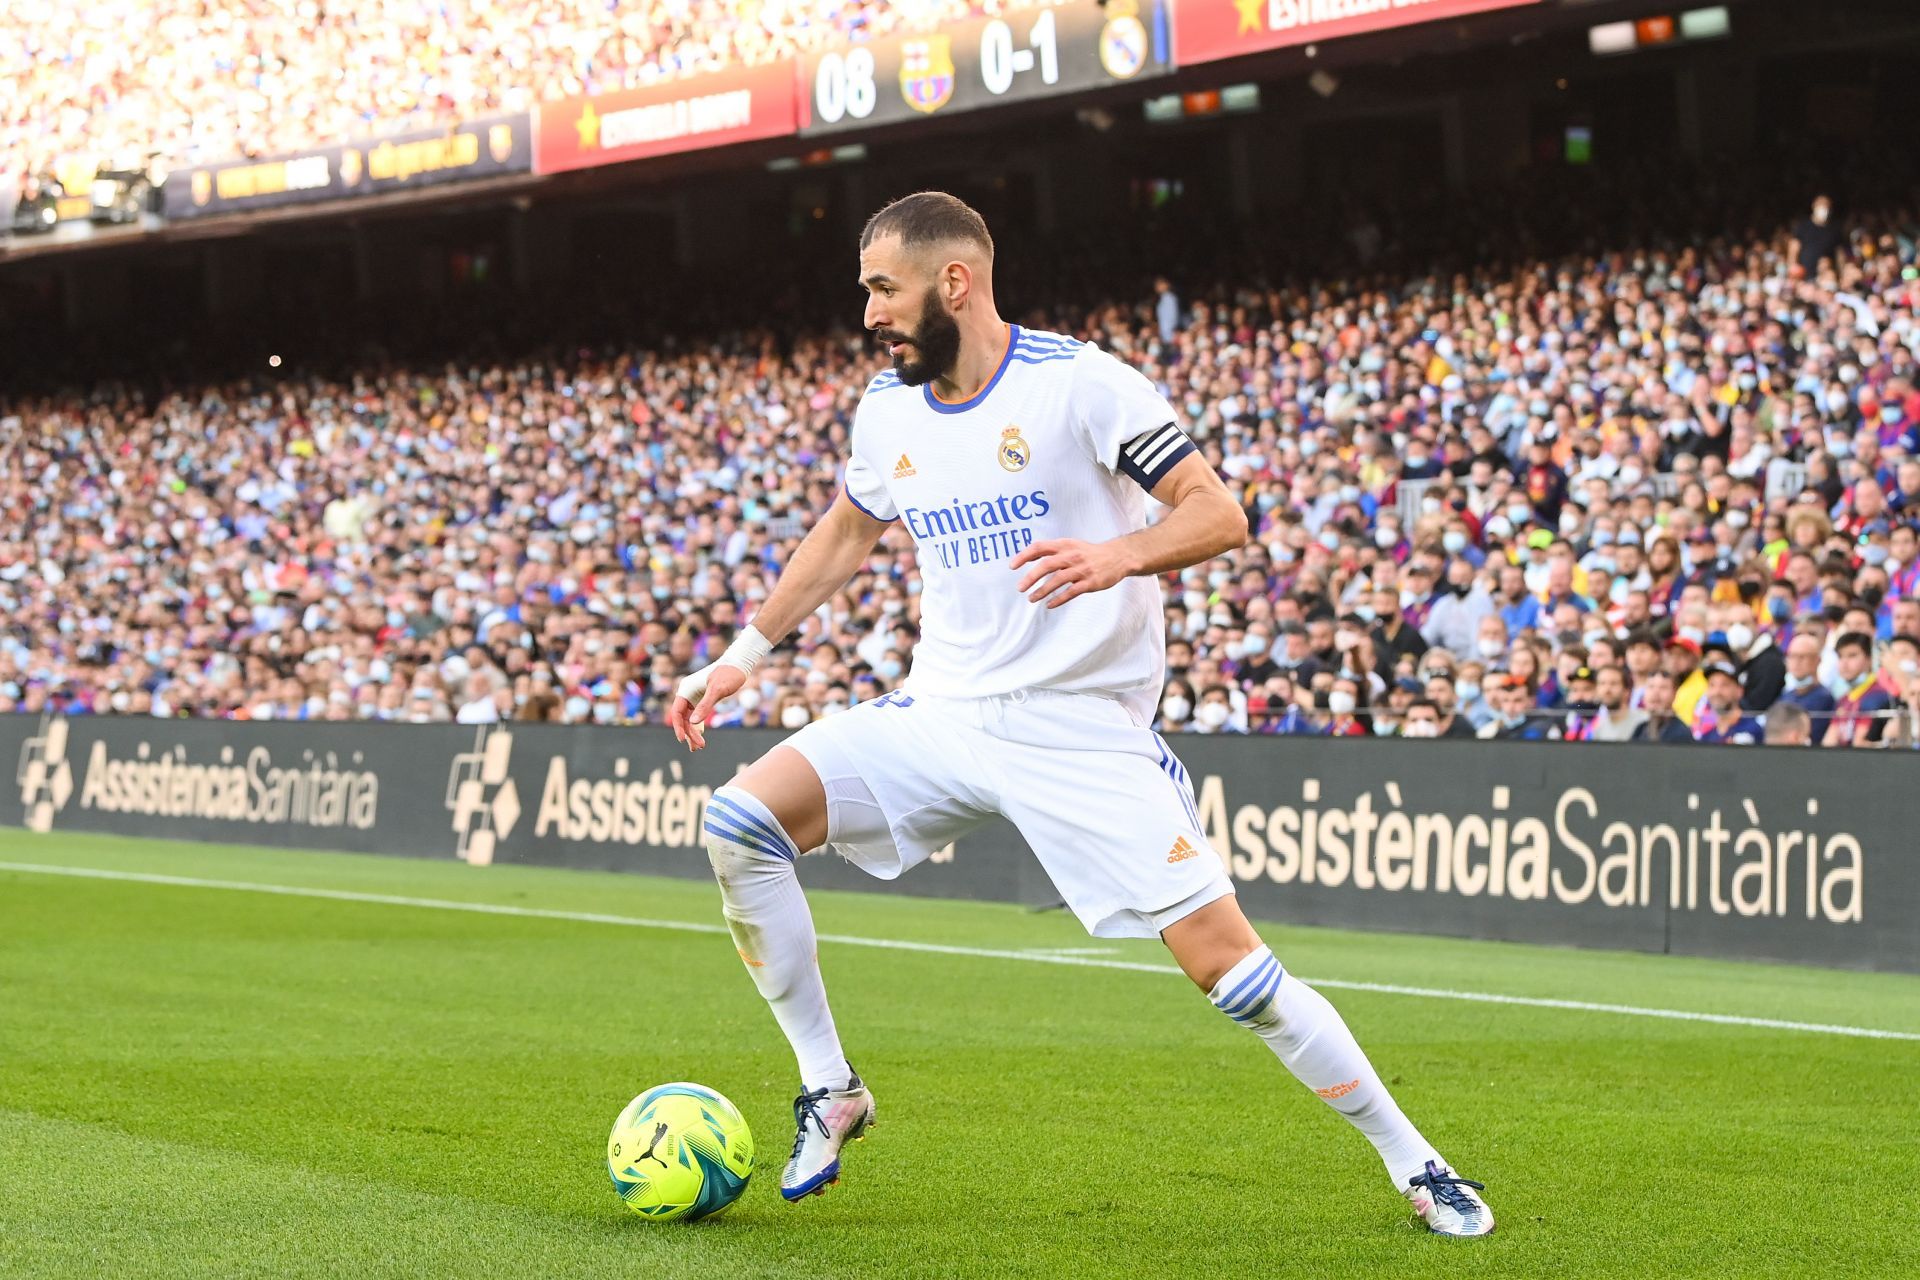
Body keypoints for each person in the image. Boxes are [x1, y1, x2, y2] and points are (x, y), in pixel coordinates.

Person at [668, 193, 1492, 1235]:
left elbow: (1219, 511)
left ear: (953, 282)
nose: (867, 308)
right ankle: (831, 1086)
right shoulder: (887, 408)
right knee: (740, 822)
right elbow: (845, 530)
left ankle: (1415, 1159)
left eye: (882, 285)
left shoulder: (1079, 383)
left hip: (1080, 733)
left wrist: (1115, 554)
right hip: (944, 714)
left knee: (1234, 974)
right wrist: (742, 658)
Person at [1823, 631, 1893, 747]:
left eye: (1852, 655)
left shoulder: (1878, 695)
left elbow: (1859, 745)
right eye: (1840, 656)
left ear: (1869, 659)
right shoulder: (1843, 699)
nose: (1844, 663)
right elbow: (1828, 742)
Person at [1775, 633, 1837, 738]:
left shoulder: (1824, 698)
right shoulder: (1785, 696)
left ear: (1818, 660)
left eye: (1803, 657)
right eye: (1792, 656)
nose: (1796, 662)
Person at [1691, 664, 1763, 744]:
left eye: (1724, 685)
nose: (1717, 692)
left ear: (1739, 691)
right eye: (1712, 685)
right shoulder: (1705, 735)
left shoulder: (1753, 729)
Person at [1631, 671, 1693, 744]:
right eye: (1651, 687)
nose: (1655, 692)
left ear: (1675, 693)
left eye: (1663, 687)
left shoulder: (1681, 733)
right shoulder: (1640, 729)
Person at [1588, 666, 1648, 742]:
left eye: (1613, 684)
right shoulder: (1599, 729)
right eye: (1602, 683)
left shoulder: (1643, 720)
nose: (1607, 689)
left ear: (1626, 691)